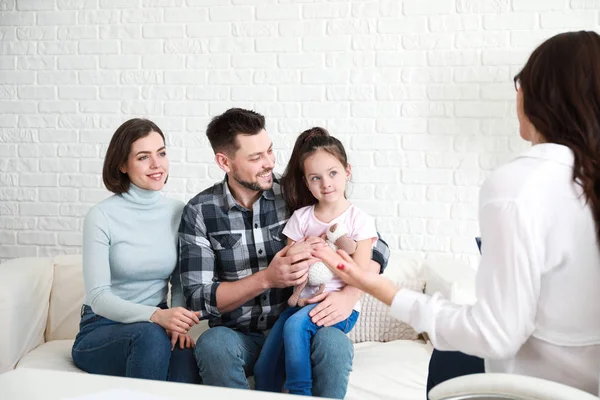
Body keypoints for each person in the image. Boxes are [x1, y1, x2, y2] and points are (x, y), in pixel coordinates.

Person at [313, 30, 600, 396]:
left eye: (521, 82)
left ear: (544, 95)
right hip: (582, 385)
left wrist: (383, 289)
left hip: (536, 388)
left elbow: (496, 334)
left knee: (448, 357)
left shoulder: (519, 185)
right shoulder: (583, 178)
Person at [178, 108, 390, 399]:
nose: (269, 163)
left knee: (334, 345)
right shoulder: (200, 212)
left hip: (305, 322)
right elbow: (199, 297)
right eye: (255, 158)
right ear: (224, 162)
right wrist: (267, 278)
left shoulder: (294, 190)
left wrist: (350, 294)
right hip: (241, 336)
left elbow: (376, 245)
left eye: (269, 151)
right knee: (213, 344)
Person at [71, 118, 201, 383]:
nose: (157, 165)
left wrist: (176, 321)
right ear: (122, 165)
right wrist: (156, 316)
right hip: (102, 327)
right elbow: (98, 297)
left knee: (187, 361)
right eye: (143, 157)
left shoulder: (177, 211)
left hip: (157, 323)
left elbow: (178, 281)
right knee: (150, 337)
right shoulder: (101, 216)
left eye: (161, 153)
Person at [253, 127, 378, 395]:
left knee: (297, 324)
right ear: (307, 183)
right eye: (316, 178)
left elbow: (361, 275)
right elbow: (292, 272)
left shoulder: (360, 222)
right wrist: (304, 255)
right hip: (300, 302)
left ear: (347, 171)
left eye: (333, 173)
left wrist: (329, 256)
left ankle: (301, 392)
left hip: (339, 307)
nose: (326, 183)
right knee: (265, 368)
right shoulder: (301, 218)